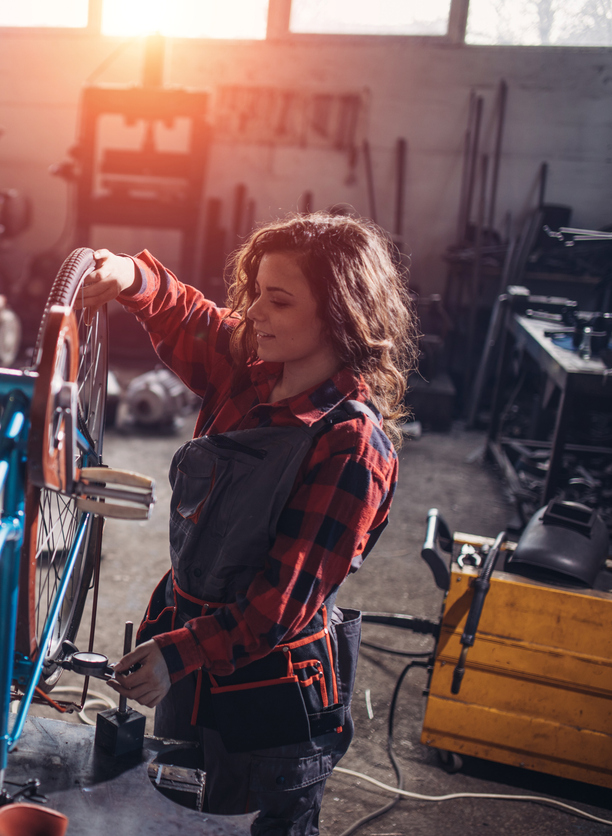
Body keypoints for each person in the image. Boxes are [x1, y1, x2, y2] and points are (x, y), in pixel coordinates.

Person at [91, 211, 416, 836]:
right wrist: (133, 277)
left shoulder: (351, 448)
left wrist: (179, 654)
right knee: (178, 816)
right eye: (256, 294)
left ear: (339, 315)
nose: (255, 314)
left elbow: (280, 605)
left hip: (270, 710)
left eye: (279, 301)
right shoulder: (253, 368)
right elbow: (195, 320)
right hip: (189, 668)